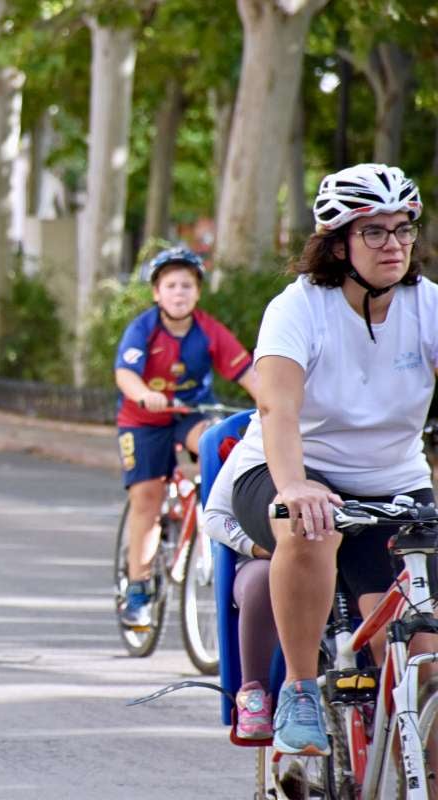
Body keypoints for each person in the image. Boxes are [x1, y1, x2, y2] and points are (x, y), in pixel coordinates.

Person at [226, 163, 435, 756]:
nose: (393, 244)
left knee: (420, 662)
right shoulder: (300, 309)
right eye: (374, 231)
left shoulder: (429, 307)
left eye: (403, 229)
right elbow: (278, 412)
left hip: (392, 483)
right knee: (311, 527)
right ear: (339, 243)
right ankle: (297, 689)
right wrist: (294, 488)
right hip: (285, 470)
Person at [114, 246, 258, 628]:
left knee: (216, 445)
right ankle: (139, 588)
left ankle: (213, 513)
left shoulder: (209, 331)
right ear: (157, 293)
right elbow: (124, 374)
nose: (179, 292)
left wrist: (276, 406)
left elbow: (248, 374)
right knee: (147, 496)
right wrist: (143, 393)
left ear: (197, 292)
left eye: (187, 285)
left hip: (191, 414)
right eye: (170, 285)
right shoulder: (144, 329)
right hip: (144, 419)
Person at [203, 447, 276, 740]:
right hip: (261, 561)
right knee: (264, 580)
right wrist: (257, 548)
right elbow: (215, 517)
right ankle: (254, 691)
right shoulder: (255, 443)